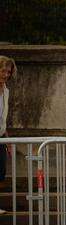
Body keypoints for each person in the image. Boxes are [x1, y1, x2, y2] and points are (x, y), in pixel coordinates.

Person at [0, 56, 17, 214]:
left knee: (1, 171)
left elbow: (2, 117)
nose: (6, 75)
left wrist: (7, 138)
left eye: (8, 72)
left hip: (1, 138)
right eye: (3, 71)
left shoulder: (6, 91)